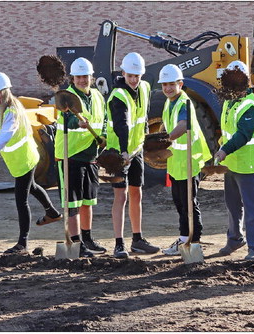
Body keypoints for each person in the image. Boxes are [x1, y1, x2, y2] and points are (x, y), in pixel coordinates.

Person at [0, 72, 63, 255]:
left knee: (21, 200)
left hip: (24, 159)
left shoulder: (12, 111)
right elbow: (1, 133)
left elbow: (7, 135)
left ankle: (22, 244)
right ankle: (53, 213)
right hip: (19, 159)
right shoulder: (0, 109)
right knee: (32, 187)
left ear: (6, 91)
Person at [106, 52, 161, 258]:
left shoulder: (145, 88)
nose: (134, 79)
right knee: (121, 195)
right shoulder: (118, 96)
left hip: (136, 149)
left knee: (136, 193)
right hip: (118, 152)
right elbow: (122, 126)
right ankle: (119, 243)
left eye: (137, 76)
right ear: (123, 73)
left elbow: (143, 114)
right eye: (130, 75)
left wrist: (145, 135)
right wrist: (123, 152)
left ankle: (137, 239)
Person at [213, 60, 254, 261]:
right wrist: (221, 149)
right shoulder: (230, 101)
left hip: (250, 164)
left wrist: (224, 150)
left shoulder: (250, 106)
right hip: (233, 163)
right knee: (232, 204)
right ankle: (235, 239)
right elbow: (228, 131)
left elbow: (243, 135)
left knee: (252, 206)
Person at [157, 64, 212, 256]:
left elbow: (182, 125)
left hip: (189, 161)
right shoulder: (170, 102)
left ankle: (193, 241)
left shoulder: (184, 103)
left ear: (180, 84)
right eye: (164, 85)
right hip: (177, 162)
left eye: (171, 84)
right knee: (180, 202)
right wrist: (158, 137)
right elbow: (166, 124)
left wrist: (165, 139)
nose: (168, 88)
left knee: (189, 202)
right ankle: (184, 239)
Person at [54, 57, 107, 256]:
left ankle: (87, 238)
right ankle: (76, 243)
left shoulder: (97, 96)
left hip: (91, 155)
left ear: (91, 77)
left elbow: (104, 120)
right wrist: (77, 123)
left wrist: (103, 138)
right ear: (73, 78)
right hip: (70, 156)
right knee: (72, 203)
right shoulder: (67, 98)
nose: (83, 80)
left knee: (87, 200)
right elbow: (63, 122)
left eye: (86, 76)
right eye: (79, 77)